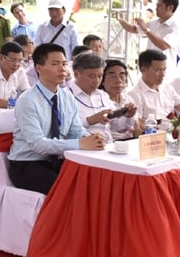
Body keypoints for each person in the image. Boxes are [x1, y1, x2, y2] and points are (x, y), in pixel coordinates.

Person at [7, 43, 106, 194]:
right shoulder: (27, 100)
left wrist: (90, 138)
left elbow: (75, 129)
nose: (62, 69)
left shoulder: (67, 96)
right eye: (55, 64)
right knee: (69, 190)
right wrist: (79, 143)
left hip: (57, 160)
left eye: (64, 64)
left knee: (95, 180)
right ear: (39, 68)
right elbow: (38, 145)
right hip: (27, 165)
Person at [116, 0, 180, 73]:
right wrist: (121, 20)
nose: (156, 9)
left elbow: (164, 45)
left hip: (165, 70)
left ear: (170, 8)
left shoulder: (175, 26)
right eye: (156, 6)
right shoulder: (154, 23)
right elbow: (133, 29)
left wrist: (146, 30)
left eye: (159, 6)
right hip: (151, 66)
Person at [126, 49, 180, 126]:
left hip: (173, 133)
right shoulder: (134, 95)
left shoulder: (167, 87)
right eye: (157, 70)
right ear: (143, 70)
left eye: (164, 69)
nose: (162, 74)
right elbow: (138, 124)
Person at [67, 51, 115, 143]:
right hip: (81, 151)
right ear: (76, 74)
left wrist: (128, 116)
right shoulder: (65, 96)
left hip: (107, 147)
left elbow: (118, 128)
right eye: (92, 76)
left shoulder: (102, 95)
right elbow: (64, 129)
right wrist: (89, 120)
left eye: (100, 76)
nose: (96, 81)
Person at [100, 59, 139, 140]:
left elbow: (137, 128)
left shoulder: (128, 98)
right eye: (112, 76)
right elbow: (118, 129)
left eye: (122, 76)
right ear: (102, 80)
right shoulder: (100, 101)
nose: (118, 80)